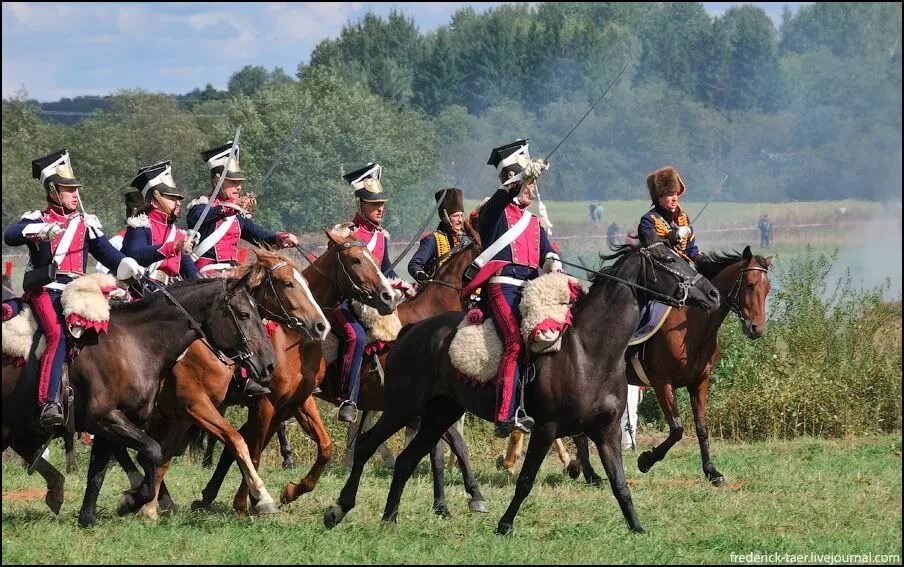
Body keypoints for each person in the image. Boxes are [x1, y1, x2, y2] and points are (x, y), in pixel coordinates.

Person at [3, 149, 143, 431]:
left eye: (75, 190)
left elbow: (108, 255)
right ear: (53, 191)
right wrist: (40, 230)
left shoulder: (86, 222)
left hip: (80, 291)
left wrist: (130, 265)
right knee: (55, 335)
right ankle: (48, 402)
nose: (75, 194)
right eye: (68, 190)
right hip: (46, 290)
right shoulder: (36, 218)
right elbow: (10, 234)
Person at [461, 139, 561, 438]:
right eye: (528, 184)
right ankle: (505, 413)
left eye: (532, 184)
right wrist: (521, 177)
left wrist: (554, 264)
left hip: (532, 291)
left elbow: (549, 253)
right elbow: (500, 199)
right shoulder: (494, 213)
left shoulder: (533, 221)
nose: (532, 189)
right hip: (502, 286)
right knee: (514, 343)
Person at [186, 141, 299, 397]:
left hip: (233, 276)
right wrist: (230, 208)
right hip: (206, 275)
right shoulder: (200, 207)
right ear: (216, 182)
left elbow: (258, 234)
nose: (238, 187)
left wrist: (280, 237)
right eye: (232, 182)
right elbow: (199, 217)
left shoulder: (235, 216)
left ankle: (259, 369)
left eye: (239, 182)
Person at [331, 162, 411, 423]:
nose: (380, 208)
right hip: (345, 301)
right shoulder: (346, 233)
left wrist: (402, 284)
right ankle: (347, 398)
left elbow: (386, 270)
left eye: (382, 204)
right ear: (361, 205)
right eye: (374, 204)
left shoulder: (381, 237)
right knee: (356, 338)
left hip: (374, 301)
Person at [121, 161, 199, 287]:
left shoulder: (177, 234)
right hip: (142, 289)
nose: (178, 203)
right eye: (172, 198)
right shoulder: (140, 226)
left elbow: (192, 276)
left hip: (170, 289)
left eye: (178, 199)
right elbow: (136, 253)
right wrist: (174, 246)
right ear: (155, 201)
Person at [637, 166, 702, 263]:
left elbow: (690, 250)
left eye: (676, 194)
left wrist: (702, 260)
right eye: (670, 195)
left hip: (685, 267)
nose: (675, 198)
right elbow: (654, 247)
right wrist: (675, 235)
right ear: (659, 197)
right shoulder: (648, 220)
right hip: (662, 269)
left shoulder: (683, 217)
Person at [407, 188, 465, 285]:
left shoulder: (466, 240)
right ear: (445, 218)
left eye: (462, 215)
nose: (460, 220)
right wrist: (428, 282)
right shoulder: (433, 239)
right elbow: (414, 265)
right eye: (456, 216)